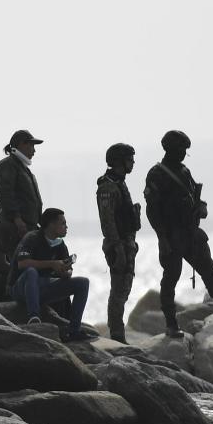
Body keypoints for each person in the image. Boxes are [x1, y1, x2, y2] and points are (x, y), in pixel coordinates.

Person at [145, 130, 213, 337]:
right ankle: (171, 324)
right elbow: (152, 210)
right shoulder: (157, 174)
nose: (184, 153)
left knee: (210, 272)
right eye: (180, 149)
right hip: (171, 236)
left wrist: (200, 207)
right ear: (170, 149)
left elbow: (192, 198)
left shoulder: (184, 171)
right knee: (170, 279)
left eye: (185, 150)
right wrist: (162, 238)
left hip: (191, 234)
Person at [9, 207, 91, 341]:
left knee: (83, 283)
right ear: (51, 225)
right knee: (31, 272)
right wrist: (52, 264)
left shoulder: (60, 244)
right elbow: (22, 264)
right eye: (63, 223)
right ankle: (34, 318)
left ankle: (74, 330)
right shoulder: (32, 238)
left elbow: (68, 269)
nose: (66, 227)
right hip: (20, 288)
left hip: (42, 287)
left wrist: (66, 272)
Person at [96, 143, 141, 343]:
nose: (133, 162)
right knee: (118, 290)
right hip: (118, 245)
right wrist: (118, 248)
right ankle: (116, 334)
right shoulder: (108, 186)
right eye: (130, 159)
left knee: (124, 289)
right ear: (119, 161)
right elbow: (107, 222)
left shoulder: (119, 182)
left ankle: (117, 332)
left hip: (126, 243)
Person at [0, 129, 44, 262]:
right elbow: (5, 193)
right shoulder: (7, 164)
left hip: (27, 227)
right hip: (14, 227)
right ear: (22, 144)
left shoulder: (24, 169)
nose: (34, 151)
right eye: (32, 145)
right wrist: (17, 219)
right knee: (19, 267)